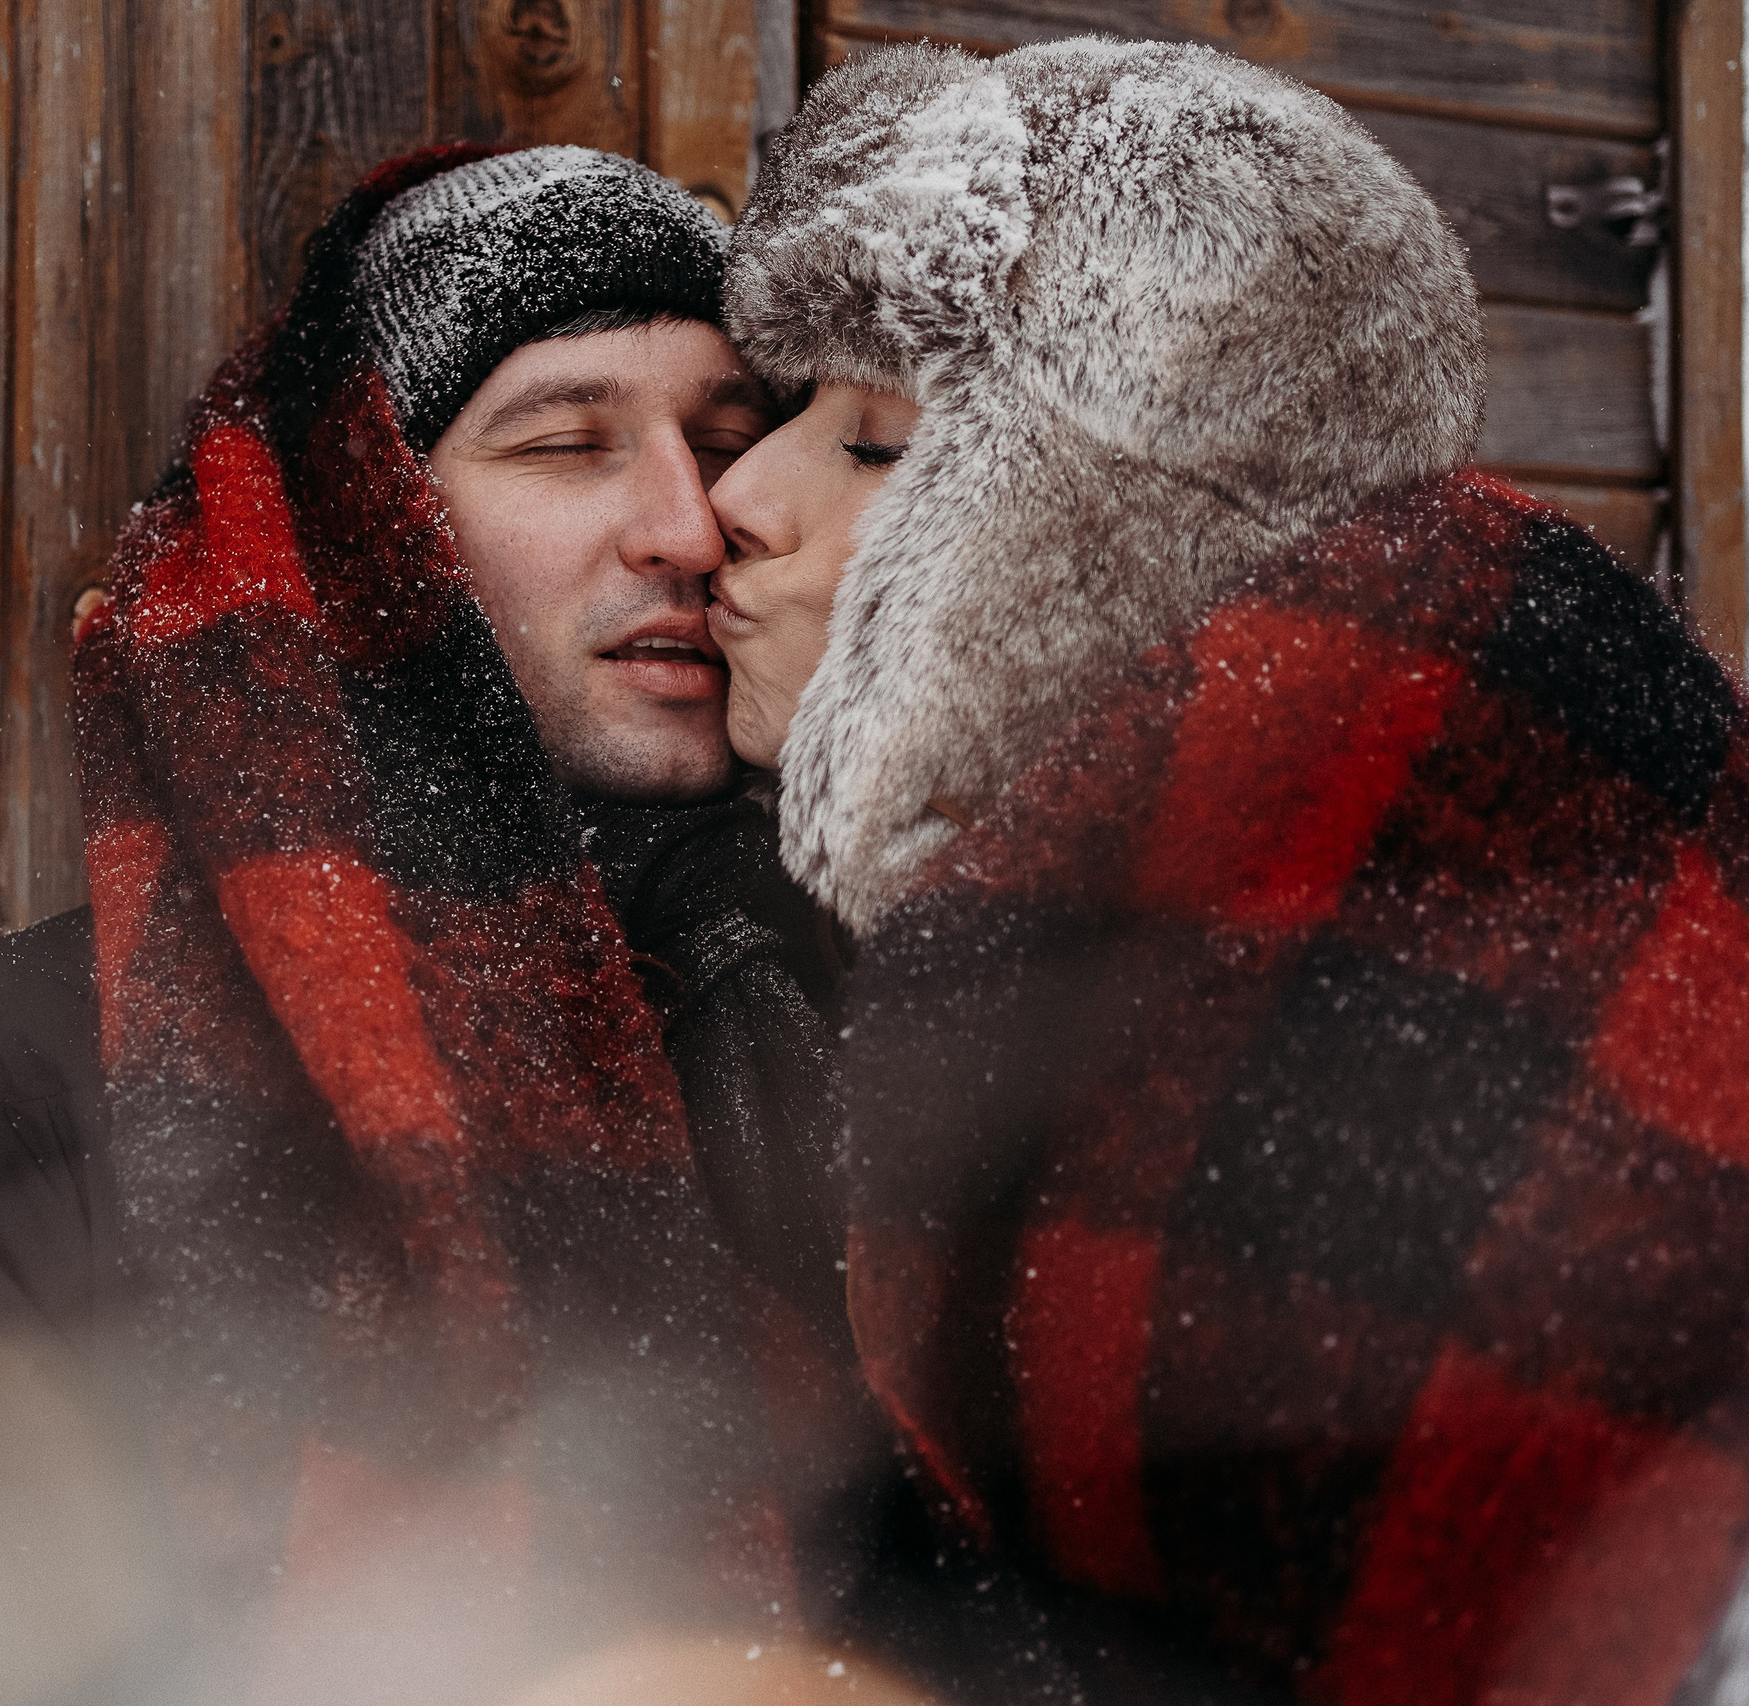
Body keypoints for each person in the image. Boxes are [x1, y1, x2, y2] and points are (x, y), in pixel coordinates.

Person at [0, 144, 873, 1705]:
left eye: (726, 441)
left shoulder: (878, 1034)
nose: (685, 521)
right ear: (373, 532)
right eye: (564, 444)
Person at [707, 37, 1749, 1706]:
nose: (731, 503)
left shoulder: (1390, 940)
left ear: (1076, 537)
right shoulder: (1054, 947)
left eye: (886, 447)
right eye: (778, 423)